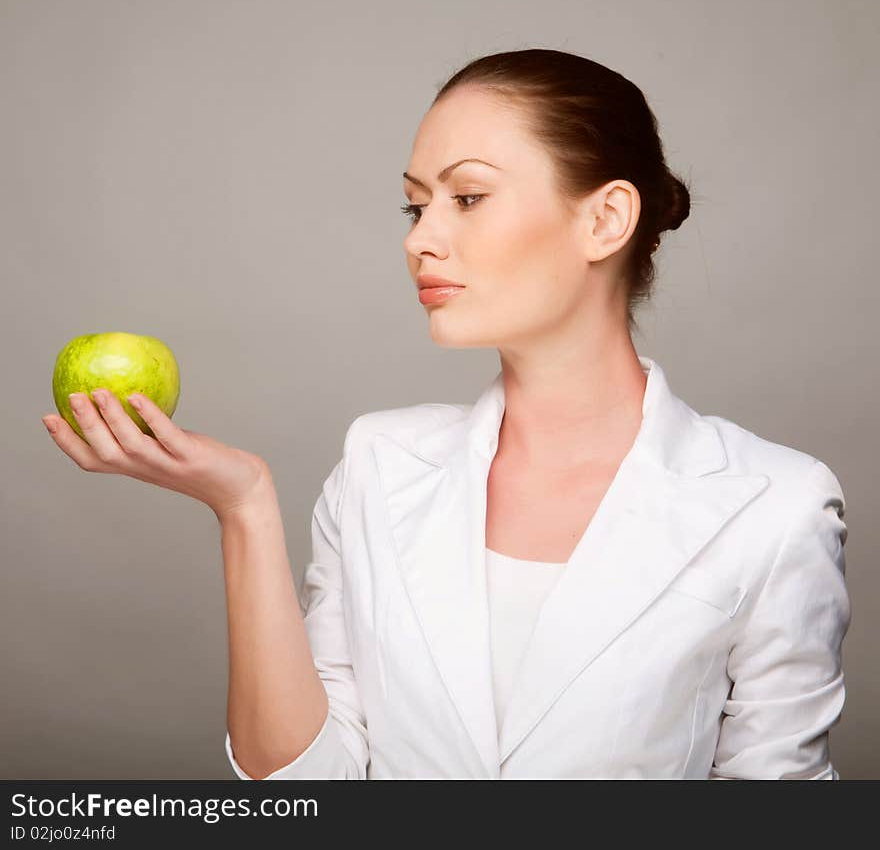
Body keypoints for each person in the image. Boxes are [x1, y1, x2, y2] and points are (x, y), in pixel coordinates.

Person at [42, 48, 851, 779]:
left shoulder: (773, 506)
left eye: (467, 197)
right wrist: (243, 505)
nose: (420, 239)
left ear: (605, 219)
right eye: (414, 207)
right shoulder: (378, 462)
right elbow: (305, 788)